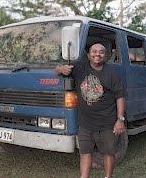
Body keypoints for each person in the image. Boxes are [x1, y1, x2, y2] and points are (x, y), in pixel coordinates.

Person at [54, 43, 126, 178]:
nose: (97, 54)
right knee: (85, 153)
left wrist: (120, 120)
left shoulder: (112, 74)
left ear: (106, 56)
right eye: (94, 51)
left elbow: (120, 97)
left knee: (108, 153)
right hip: (85, 124)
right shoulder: (79, 68)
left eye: (101, 52)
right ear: (88, 54)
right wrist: (61, 69)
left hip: (107, 123)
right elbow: (56, 70)